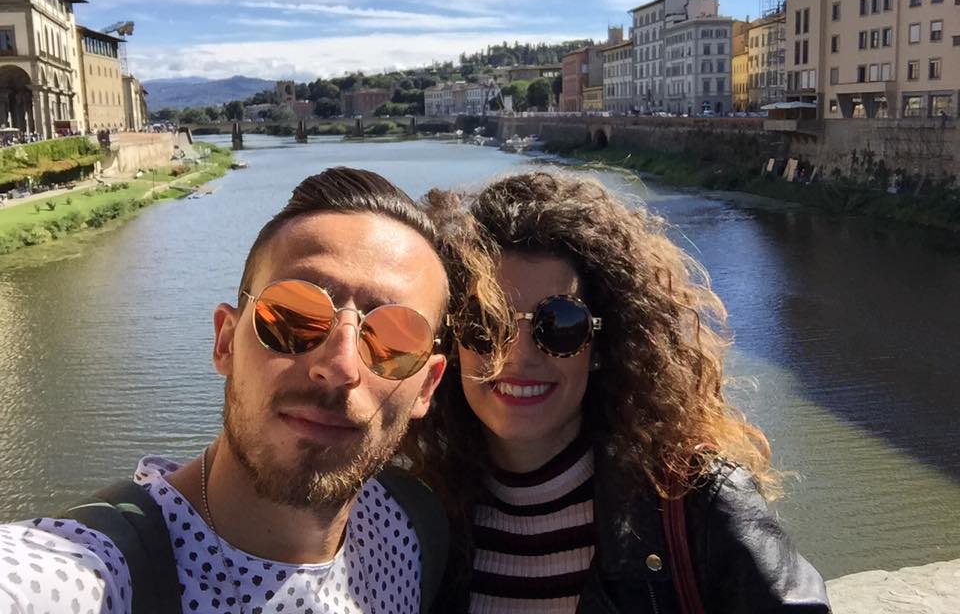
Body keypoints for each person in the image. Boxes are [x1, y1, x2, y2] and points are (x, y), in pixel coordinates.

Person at [0, 167, 450, 613]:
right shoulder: (87, 577)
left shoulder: (409, 530)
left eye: (395, 341)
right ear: (226, 343)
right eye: (293, 318)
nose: (339, 366)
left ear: (427, 387)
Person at [411, 170, 830, 613]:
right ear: (451, 340)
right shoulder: (418, 515)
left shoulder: (699, 504)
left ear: (600, 344)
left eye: (560, 324)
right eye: (486, 322)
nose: (518, 356)